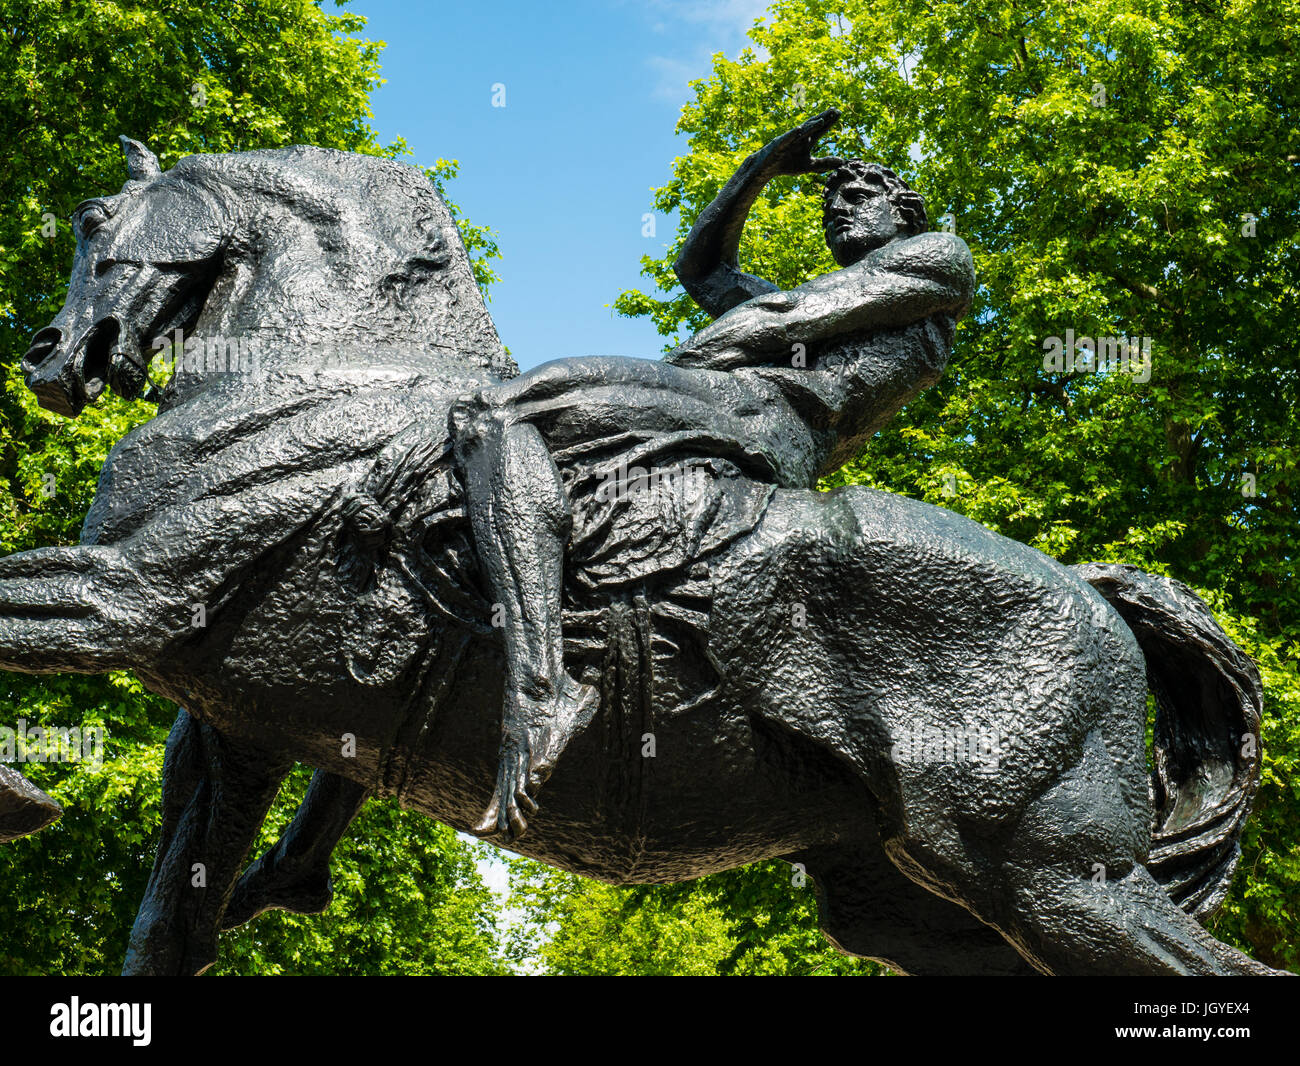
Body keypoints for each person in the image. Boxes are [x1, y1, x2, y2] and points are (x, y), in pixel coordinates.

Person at [452, 109, 976, 839]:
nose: (840, 208)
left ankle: (542, 689)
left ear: (905, 210)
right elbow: (702, 270)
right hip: (734, 405)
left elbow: (788, 315)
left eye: (860, 195)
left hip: (762, 421)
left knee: (498, 413)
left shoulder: (938, 258)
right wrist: (760, 167)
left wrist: (682, 369)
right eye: (831, 202)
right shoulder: (848, 304)